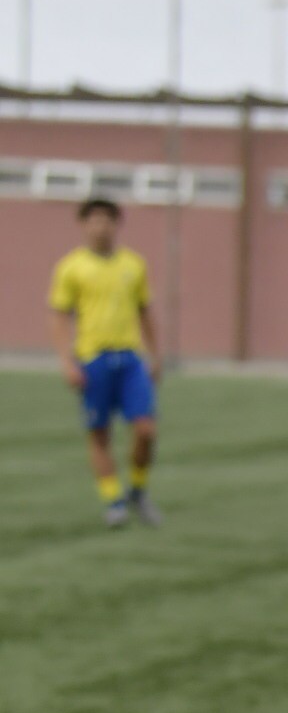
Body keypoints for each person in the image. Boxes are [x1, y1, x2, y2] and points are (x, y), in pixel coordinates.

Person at [48, 196, 161, 527]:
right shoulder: (71, 267)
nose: (100, 226)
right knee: (99, 434)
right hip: (92, 358)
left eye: (107, 220)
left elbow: (145, 311)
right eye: (93, 220)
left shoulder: (134, 265)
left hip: (130, 358)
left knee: (145, 430)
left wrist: (155, 354)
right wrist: (66, 362)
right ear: (83, 226)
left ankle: (138, 490)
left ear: (117, 224)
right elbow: (59, 317)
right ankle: (114, 501)